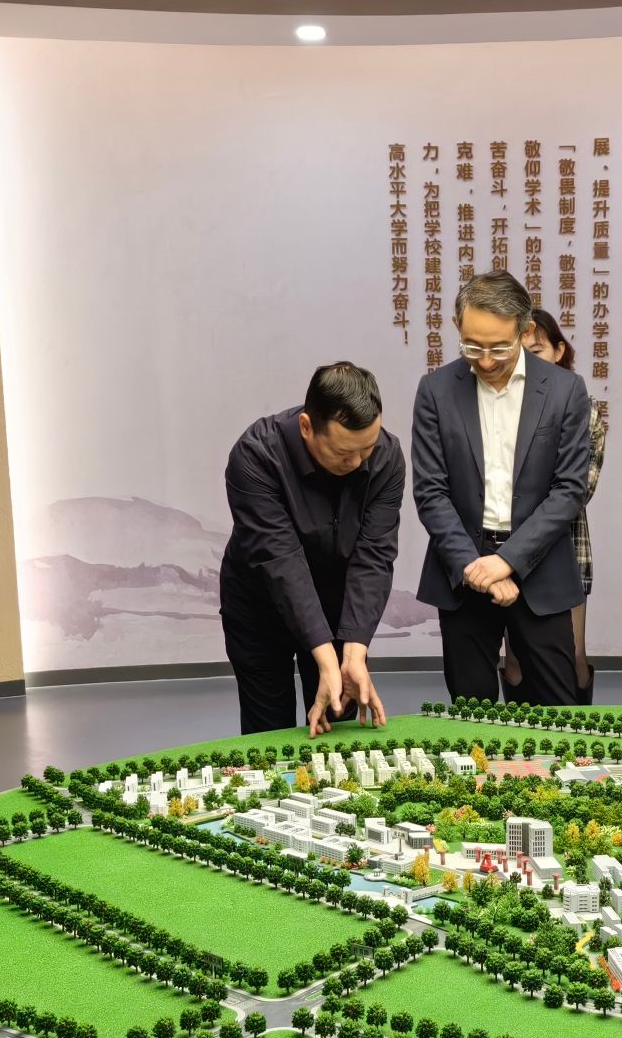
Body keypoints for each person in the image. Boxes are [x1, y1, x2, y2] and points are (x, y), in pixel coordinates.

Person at [411, 271, 592, 708]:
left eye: (499, 347)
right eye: (473, 347)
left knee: (557, 708)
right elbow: (431, 492)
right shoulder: (436, 391)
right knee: (471, 709)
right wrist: (475, 567)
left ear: (524, 330)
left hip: (541, 567)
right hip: (463, 569)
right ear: (457, 327)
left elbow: (568, 490)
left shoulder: (565, 390)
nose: (486, 361)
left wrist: (508, 561)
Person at [220, 362, 402, 736]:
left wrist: (353, 652)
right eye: (343, 453)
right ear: (306, 427)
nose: (357, 463)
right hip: (261, 607)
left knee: (338, 724)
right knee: (269, 732)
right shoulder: (256, 455)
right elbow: (281, 561)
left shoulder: (386, 455)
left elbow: (374, 555)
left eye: (366, 449)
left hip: (337, 610)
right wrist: (325, 659)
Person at [502, 306, 607, 705]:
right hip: (504, 555)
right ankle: (520, 739)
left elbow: (579, 489)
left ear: (560, 351)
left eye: (538, 351)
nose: (528, 363)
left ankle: (574, 739)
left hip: (564, 552)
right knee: (515, 660)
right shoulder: (499, 408)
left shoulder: (584, 408)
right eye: (520, 353)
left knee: (572, 657)